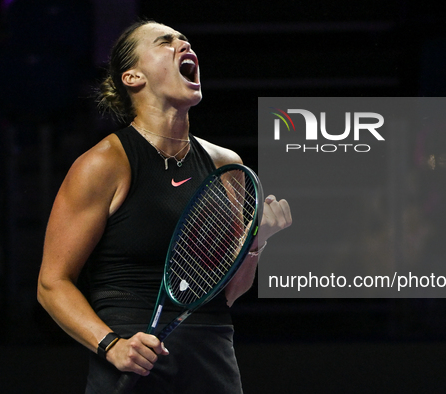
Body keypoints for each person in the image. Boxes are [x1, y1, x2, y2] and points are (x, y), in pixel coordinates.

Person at [37, 20, 291, 394]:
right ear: (133, 77)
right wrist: (112, 346)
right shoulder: (105, 163)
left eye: (185, 40)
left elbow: (229, 291)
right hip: (130, 356)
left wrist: (257, 242)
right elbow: (52, 284)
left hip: (211, 358)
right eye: (165, 42)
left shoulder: (226, 166)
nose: (182, 45)